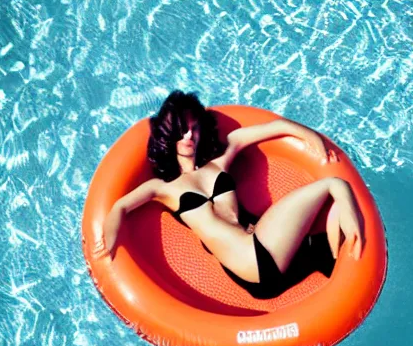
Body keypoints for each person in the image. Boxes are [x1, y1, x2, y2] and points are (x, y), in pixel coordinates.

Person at [103, 90, 364, 299]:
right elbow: (120, 208)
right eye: (181, 130)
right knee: (335, 185)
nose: (188, 136)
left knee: (336, 212)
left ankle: (341, 269)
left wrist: (314, 141)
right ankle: (338, 254)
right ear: (168, 135)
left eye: (194, 128)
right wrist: (107, 245)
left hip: (266, 255)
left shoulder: (220, 160)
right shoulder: (163, 188)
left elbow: (276, 127)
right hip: (253, 261)